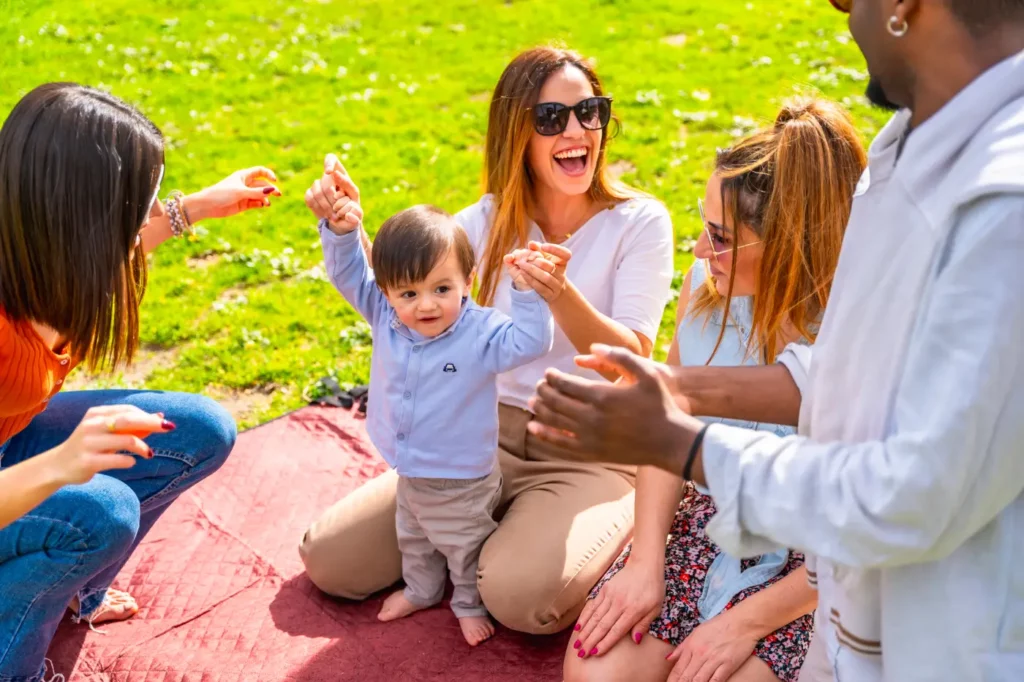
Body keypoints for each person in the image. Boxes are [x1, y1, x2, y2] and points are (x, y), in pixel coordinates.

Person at [529, 1, 1024, 680]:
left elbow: (904, 487)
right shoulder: (911, 149)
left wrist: (681, 438)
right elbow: (829, 385)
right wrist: (668, 421)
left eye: (853, 1)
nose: (842, 14)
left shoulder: (997, 204)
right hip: (761, 546)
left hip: (853, 584)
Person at [299, 45, 675, 635]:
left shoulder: (641, 222)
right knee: (330, 560)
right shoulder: (487, 218)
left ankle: (556, 531)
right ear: (516, 134)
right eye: (551, 119)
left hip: (588, 452)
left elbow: (627, 363)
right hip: (474, 442)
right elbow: (410, 300)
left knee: (519, 599)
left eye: (590, 112)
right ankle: (484, 538)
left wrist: (558, 292)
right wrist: (350, 228)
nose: (577, 131)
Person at [563, 99, 867, 682]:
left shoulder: (858, 339)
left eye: (721, 237)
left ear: (789, 244)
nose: (700, 252)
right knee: (591, 674)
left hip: (808, 574)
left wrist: (744, 623)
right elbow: (664, 435)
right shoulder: (705, 288)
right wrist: (645, 563)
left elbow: (857, 532)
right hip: (703, 525)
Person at [0, 82, 282, 681]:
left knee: (195, 429)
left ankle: (70, 593)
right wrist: (61, 464)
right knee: (97, 512)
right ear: (85, 214)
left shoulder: (38, 259)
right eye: (145, 202)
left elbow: (111, 255)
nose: (154, 212)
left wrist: (196, 208)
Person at [317, 199, 554, 645]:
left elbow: (531, 342)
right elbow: (349, 274)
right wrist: (344, 234)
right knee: (415, 538)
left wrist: (526, 292)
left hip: (462, 478)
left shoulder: (481, 332)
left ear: (468, 282)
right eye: (409, 293)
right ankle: (422, 591)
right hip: (410, 469)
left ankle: (467, 602)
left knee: (465, 547)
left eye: (441, 289)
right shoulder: (385, 317)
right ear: (386, 292)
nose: (427, 305)